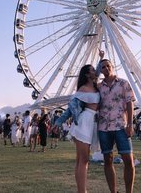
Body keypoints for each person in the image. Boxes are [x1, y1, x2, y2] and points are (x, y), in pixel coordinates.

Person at [54, 64, 100, 193]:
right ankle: (82, 191)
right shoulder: (83, 89)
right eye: (92, 70)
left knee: (81, 160)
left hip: (93, 123)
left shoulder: (97, 88)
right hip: (84, 122)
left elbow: (99, 71)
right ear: (86, 74)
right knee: (83, 159)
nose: (95, 71)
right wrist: (58, 122)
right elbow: (70, 109)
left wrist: (101, 59)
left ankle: (81, 190)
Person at [97, 50, 136, 193]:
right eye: (103, 67)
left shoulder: (123, 83)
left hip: (121, 125)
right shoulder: (98, 87)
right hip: (104, 127)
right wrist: (99, 59)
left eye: (108, 66)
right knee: (107, 159)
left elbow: (130, 103)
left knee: (128, 159)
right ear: (100, 70)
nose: (106, 68)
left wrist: (130, 124)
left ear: (112, 66)